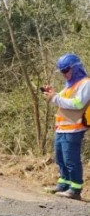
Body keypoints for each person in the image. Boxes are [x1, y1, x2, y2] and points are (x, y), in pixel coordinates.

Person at [42, 53, 90, 200]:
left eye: (65, 70)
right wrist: (52, 94)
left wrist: (55, 98)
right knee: (60, 157)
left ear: (75, 68)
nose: (64, 74)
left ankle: (75, 189)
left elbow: (78, 103)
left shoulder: (86, 83)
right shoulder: (69, 85)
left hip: (74, 128)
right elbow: (60, 99)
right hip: (62, 128)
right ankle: (64, 183)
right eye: (61, 71)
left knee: (71, 159)